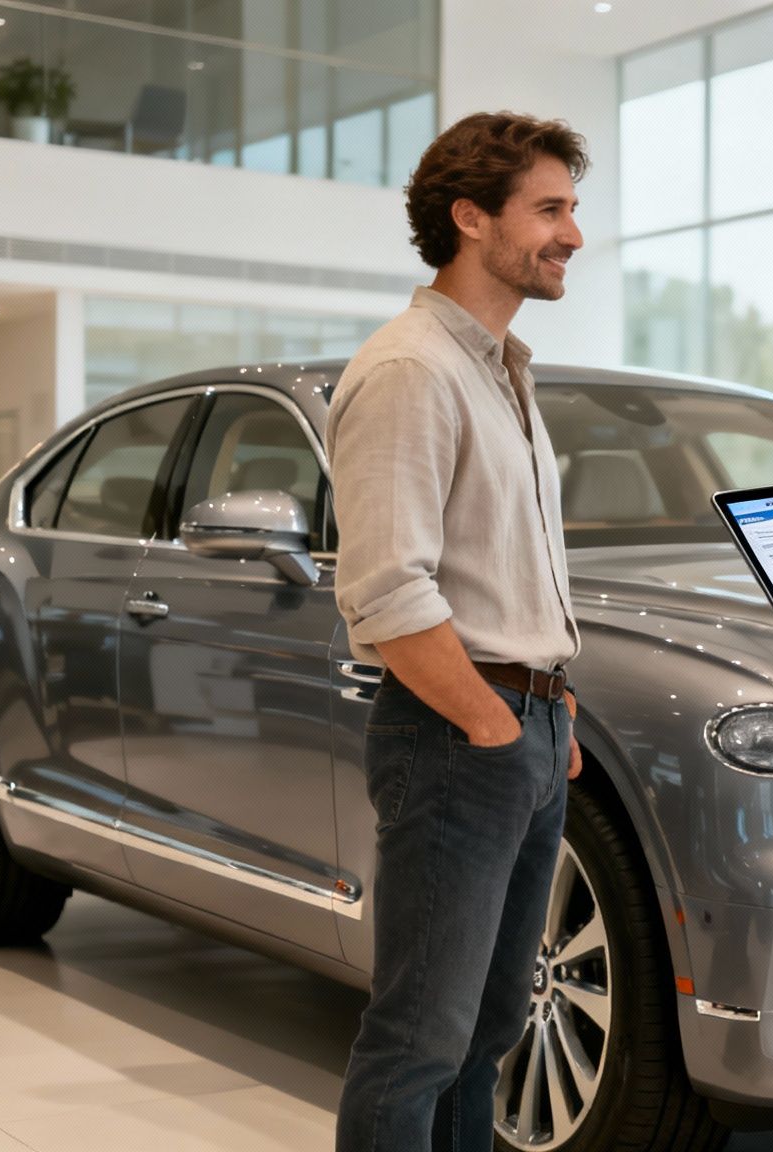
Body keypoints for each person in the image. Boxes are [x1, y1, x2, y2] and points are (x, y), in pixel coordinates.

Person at [329, 110, 589, 1151]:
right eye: (551, 209)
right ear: (470, 217)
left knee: (485, 1034)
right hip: (455, 735)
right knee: (418, 1041)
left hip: (521, 735)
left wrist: (546, 712)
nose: (573, 233)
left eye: (573, 209)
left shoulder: (497, 368)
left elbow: (506, 573)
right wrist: (488, 723)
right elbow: (390, 593)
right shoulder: (410, 371)